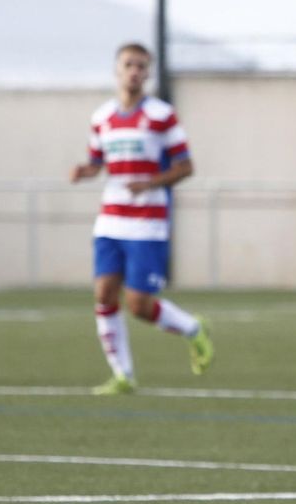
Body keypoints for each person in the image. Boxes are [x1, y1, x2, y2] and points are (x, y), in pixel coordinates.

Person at [69, 42, 212, 394]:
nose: (134, 71)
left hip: (148, 222)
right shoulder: (101, 117)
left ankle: (193, 329)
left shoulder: (162, 116)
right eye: (128, 65)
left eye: (140, 66)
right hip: (110, 219)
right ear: (117, 71)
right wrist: (84, 171)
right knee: (103, 293)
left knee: (138, 305)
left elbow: (186, 167)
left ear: (148, 73)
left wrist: (150, 182)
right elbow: (98, 161)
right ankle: (123, 375)